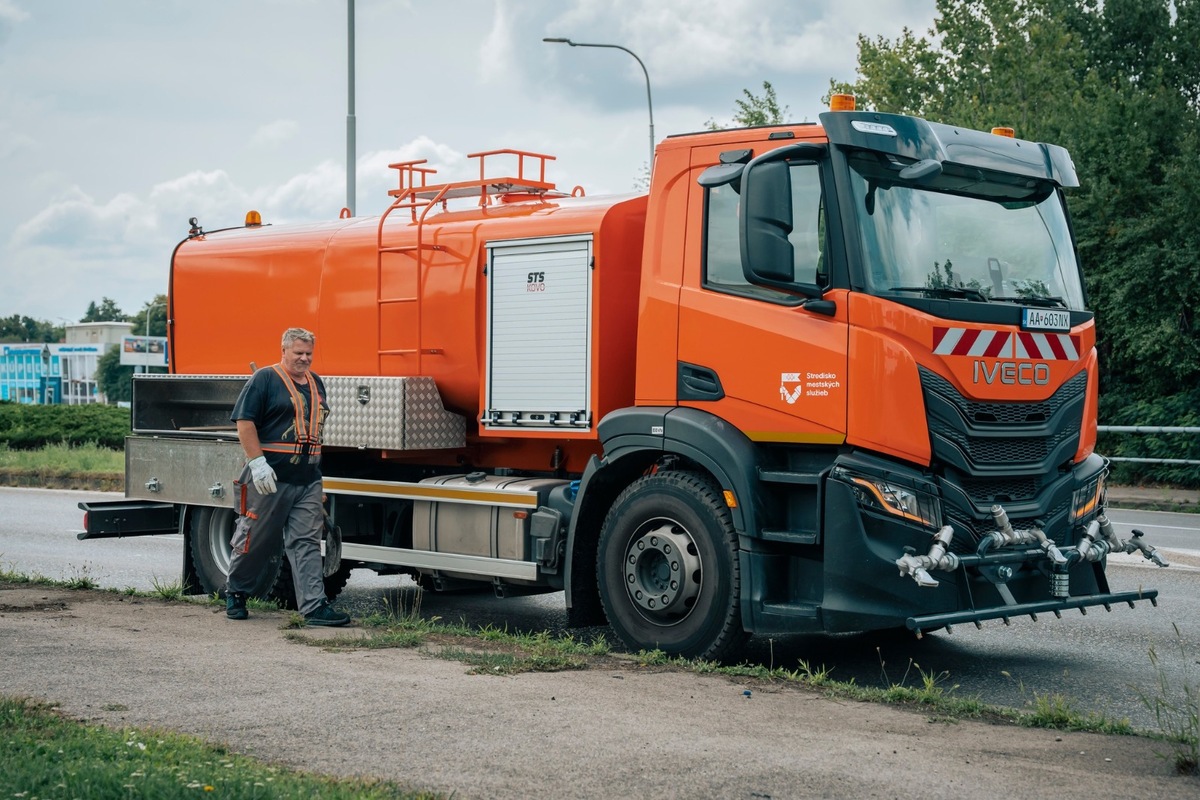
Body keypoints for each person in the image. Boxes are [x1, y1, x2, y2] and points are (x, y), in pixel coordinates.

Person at [224, 327, 350, 626]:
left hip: (307, 478)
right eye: (299, 353)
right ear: (284, 351)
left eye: (308, 354)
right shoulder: (265, 379)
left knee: (306, 542)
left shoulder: (316, 382)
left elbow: (315, 431)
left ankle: (314, 607)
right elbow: (244, 423)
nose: (304, 359)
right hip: (269, 478)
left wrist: (318, 480)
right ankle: (236, 592)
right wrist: (257, 463)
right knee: (255, 538)